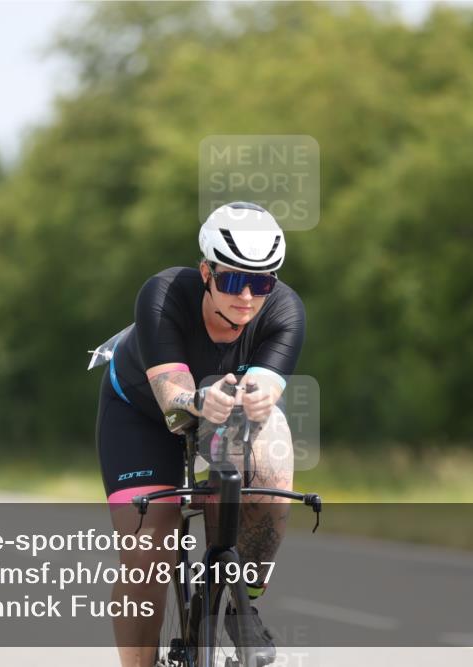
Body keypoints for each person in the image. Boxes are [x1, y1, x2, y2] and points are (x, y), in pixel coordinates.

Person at [95, 201, 304, 667]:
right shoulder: (164, 294)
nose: (247, 296)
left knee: (270, 458)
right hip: (142, 415)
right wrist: (197, 400)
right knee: (149, 551)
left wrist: (258, 399)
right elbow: (173, 402)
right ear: (206, 272)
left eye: (261, 283)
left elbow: (265, 391)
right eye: (233, 280)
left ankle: (242, 602)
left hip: (223, 412)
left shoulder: (285, 311)